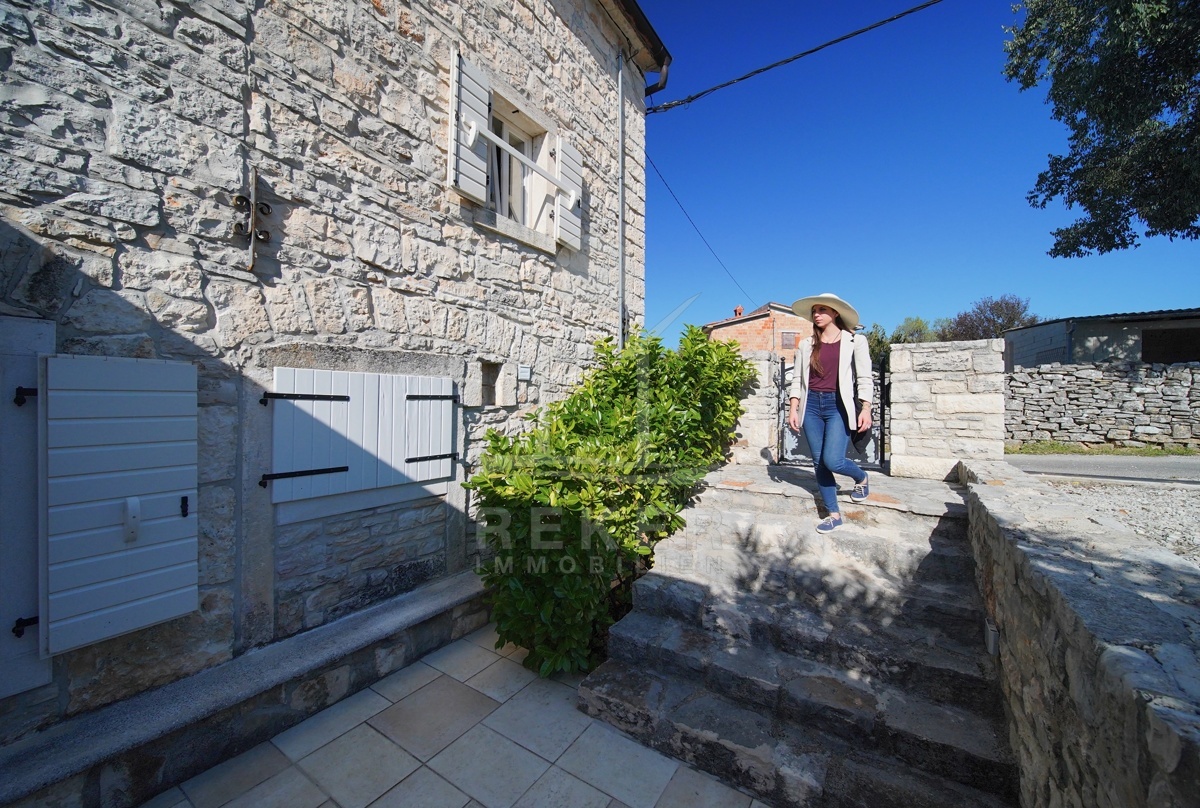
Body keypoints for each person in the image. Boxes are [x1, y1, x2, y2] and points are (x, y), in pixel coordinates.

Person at [786, 292, 872, 533]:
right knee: (818, 462)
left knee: (833, 460)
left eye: (822, 310)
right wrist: (793, 408)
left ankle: (861, 477)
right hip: (811, 406)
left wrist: (866, 408)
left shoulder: (855, 341)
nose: (817, 314)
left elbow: (865, 378)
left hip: (838, 405)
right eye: (814, 310)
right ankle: (833, 514)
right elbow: (797, 379)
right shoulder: (806, 344)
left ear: (835, 312)